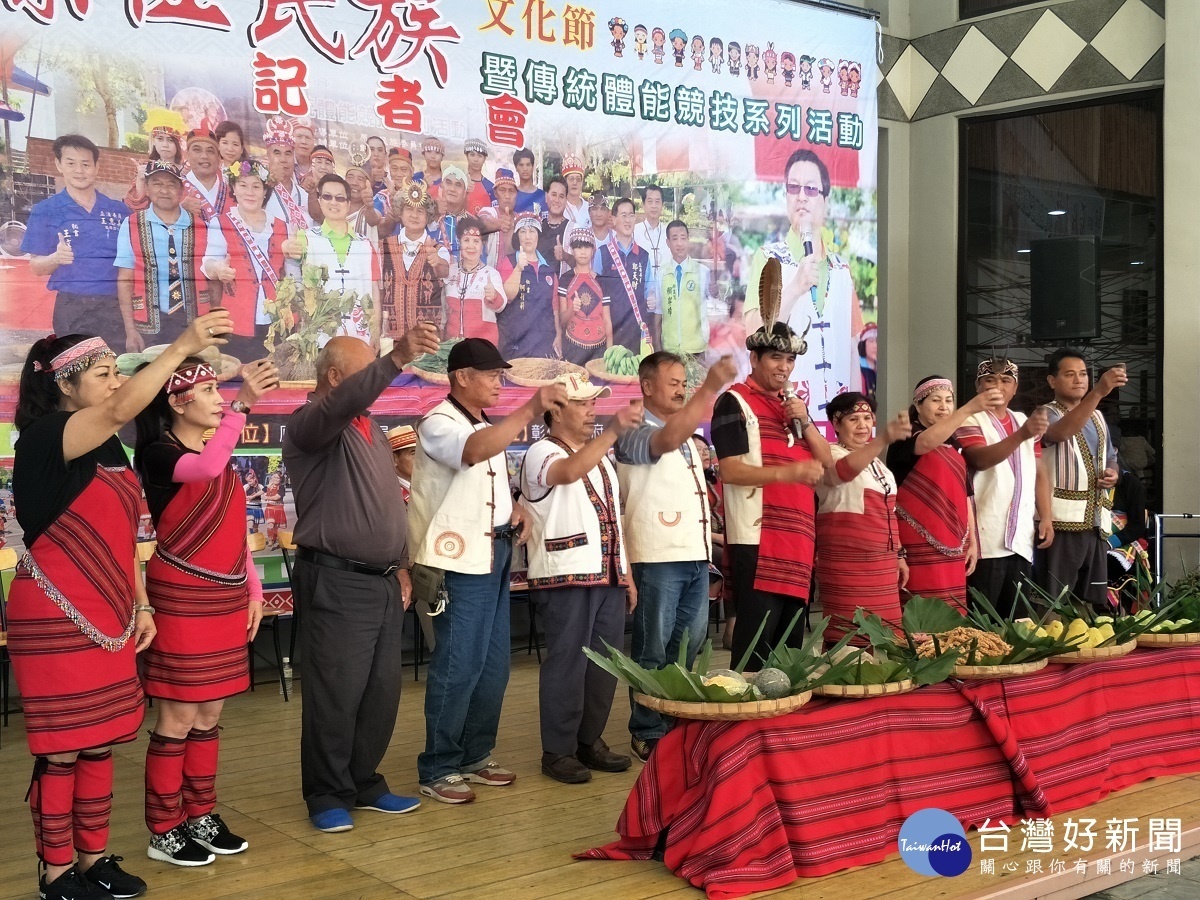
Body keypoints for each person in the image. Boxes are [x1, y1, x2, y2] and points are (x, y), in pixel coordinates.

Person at [9, 313, 230, 900]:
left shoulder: (106, 443)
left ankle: (94, 859)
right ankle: (55, 872)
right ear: (64, 384)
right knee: (62, 747)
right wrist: (182, 344)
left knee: (102, 737)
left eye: (116, 373)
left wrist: (142, 605)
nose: (114, 384)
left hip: (108, 611)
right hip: (55, 612)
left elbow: (122, 537)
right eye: (104, 373)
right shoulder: (44, 438)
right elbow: (115, 409)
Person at [281, 323, 442, 833]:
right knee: (337, 692)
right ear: (335, 377)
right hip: (335, 578)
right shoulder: (312, 421)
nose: (379, 378)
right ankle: (326, 793)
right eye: (366, 369)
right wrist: (395, 359)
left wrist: (399, 565)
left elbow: (382, 508)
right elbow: (341, 403)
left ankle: (364, 781)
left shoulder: (370, 429)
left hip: (380, 581)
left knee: (379, 692)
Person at [132, 358, 278, 866]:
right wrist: (242, 407)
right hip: (182, 598)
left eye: (221, 390)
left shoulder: (218, 451)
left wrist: (254, 592)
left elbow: (236, 531)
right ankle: (164, 827)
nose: (219, 398)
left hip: (226, 597)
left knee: (211, 711)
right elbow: (207, 468)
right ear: (177, 400)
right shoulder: (157, 453)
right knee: (177, 713)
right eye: (210, 389)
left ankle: (200, 814)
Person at [409, 338, 568, 802]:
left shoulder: (483, 424)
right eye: (492, 374)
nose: (500, 381)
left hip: (494, 553)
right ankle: (437, 765)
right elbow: (474, 453)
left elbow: (488, 481)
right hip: (458, 560)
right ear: (462, 377)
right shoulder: (439, 421)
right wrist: (528, 409)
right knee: (458, 665)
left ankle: (475, 754)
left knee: (494, 665)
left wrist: (515, 506)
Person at [615, 351, 737, 760]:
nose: (683, 389)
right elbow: (663, 441)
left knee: (689, 643)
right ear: (646, 386)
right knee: (653, 647)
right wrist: (711, 387)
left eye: (687, 382)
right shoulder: (632, 430)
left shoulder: (686, 437)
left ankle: (677, 722)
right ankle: (647, 728)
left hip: (693, 554)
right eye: (675, 382)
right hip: (656, 554)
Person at [520, 375, 642, 784]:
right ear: (556, 410)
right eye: (582, 402)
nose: (593, 409)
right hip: (564, 574)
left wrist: (625, 572)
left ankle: (589, 741)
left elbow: (613, 516)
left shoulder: (601, 455)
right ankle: (557, 750)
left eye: (594, 402)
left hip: (605, 574)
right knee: (568, 663)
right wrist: (611, 433)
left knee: (605, 663)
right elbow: (569, 472)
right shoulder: (540, 451)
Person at [711, 322, 830, 664]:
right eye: (776, 358)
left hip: (798, 536)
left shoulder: (792, 406)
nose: (784, 367)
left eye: (790, 360)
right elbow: (731, 471)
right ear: (754, 357)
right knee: (756, 642)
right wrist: (788, 473)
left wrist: (805, 421)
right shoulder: (733, 402)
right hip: (758, 535)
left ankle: (785, 715)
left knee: (790, 644)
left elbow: (828, 466)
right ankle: (748, 715)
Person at [744, 149, 864, 420]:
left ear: (826, 200)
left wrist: (858, 411)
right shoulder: (768, 259)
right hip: (785, 409)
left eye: (811, 189)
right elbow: (752, 333)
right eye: (793, 187)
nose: (801, 196)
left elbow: (852, 345)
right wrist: (796, 287)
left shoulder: (841, 268)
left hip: (838, 413)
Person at [885, 376, 1003, 612]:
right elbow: (926, 443)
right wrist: (969, 409)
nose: (944, 406)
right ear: (918, 405)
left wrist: (972, 541)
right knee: (920, 612)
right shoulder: (906, 435)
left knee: (951, 612)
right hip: (915, 541)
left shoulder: (955, 442)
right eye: (936, 400)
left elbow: (966, 492)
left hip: (954, 541)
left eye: (949, 401)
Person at [955, 357, 1053, 618]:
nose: (998, 385)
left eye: (1005, 380)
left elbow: (1039, 470)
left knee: (1017, 619)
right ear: (978, 386)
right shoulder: (969, 418)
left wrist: (1046, 516)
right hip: (985, 536)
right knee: (983, 618)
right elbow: (979, 459)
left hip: (1020, 535)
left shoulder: (1021, 419)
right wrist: (1022, 434)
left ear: (1015, 388)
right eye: (990, 380)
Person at [814, 393, 911, 642]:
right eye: (853, 419)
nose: (862, 425)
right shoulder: (829, 453)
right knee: (849, 635)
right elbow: (843, 473)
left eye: (867, 418)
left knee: (886, 639)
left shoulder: (880, 466)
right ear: (836, 424)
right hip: (847, 565)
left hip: (882, 565)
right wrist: (884, 439)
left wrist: (899, 556)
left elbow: (889, 514)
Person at [22, 134, 130, 350]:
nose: (79, 171)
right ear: (59, 165)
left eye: (85, 164)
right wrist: (56, 258)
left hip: (114, 307)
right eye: (71, 163)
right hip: (72, 307)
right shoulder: (45, 211)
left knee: (116, 368)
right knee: (76, 372)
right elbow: (36, 266)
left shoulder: (119, 211)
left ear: (97, 167)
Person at [1036, 350, 1126, 611]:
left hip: (1095, 520)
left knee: (1088, 601)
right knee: (1054, 600)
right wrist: (1097, 392)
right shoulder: (1045, 413)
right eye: (1070, 374)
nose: (1079, 380)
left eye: (1084, 374)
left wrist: (1113, 472)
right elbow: (1060, 432)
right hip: (1061, 520)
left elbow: (1111, 456)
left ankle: (1085, 647)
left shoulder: (1097, 416)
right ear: (1052, 381)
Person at [116, 161, 212, 352]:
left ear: (181, 189)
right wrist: (130, 330)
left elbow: (213, 278)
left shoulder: (201, 226)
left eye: (171, 184)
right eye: (157, 184)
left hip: (193, 322)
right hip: (148, 324)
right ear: (148, 189)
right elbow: (125, 279)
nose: (164, 190)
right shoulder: (132, 224)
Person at [202, 158, 289, 364]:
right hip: (238, 319)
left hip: (277, 320)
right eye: (243, 185)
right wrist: (218, 269)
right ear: (234, 188)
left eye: (256, 186)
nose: (250, 192)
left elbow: (294, 274)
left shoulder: (283, 226)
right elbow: (208, 262)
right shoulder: (221, 222)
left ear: (265, 191)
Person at [284, 174, 381, 347]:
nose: (333, 202)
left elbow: (374, 291)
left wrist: (375, 330)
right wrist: (285, 247)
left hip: (358, 337)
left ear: (348, 204)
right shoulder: (305, 237)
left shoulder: (365, 244)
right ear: (319, 201)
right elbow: (288, 256)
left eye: (340, 198)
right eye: (327, 197)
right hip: (318, 338)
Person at [379, 179, 450, 341]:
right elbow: (379, 292)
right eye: (409, 209)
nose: (414, 215)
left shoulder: (439, 249)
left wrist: (437, 261)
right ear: (401, 214)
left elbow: (444, 270)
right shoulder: (383, 248)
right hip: (391, 338)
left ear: (428, 217)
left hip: (426, 340)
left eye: (420, 211)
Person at [497, 212, 559, 359]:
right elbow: (507, 296)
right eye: (523, 232)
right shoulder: (509, 262)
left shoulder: (548, 268)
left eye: (532, 231)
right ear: (517, 236)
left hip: (544, 342)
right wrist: (518, 268)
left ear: (538, 235)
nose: (528, 236)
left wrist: (559, 335)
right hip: (515, 342)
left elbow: (554, 306)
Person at [596, 197, 652, 355]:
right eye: (623, 215)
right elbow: (596, 292)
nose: (628, 220)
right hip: (609, 330)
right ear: (613, 220)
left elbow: (649, 290)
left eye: (631, 215)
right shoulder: (603, 253)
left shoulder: (644, 256)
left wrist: (652, 297)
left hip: (636, 330)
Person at [443, 217, 506, 344]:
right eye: (466, 240)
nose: (471, 246)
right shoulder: (450, 271)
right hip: (452, 346)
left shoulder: (491, 274)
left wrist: (493, 296)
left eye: (476, 241)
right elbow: (443, 311)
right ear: (459, 242)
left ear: (482, 245)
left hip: (482, 347)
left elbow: (501, 306)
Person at [654, 219, 711, 356]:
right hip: (670, 348)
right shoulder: (661, 274)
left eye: (683, 238)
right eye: (675, 239)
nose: (679, 243)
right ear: (668, 243)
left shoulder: (702, 272)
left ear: (688, 240)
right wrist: (657, 345)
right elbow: (658, 311)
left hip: (696, 349)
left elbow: (713, 303)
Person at [557, 227, 611, 365]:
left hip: (598, 349)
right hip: (572, 348)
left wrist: (609, 352)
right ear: (572, 250)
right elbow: (562, 320)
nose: (582, 252)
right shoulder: (565, 279)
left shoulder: (602, 281)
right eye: (578, 247)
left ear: (593, 250)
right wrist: (572, 309)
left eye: (587, 247)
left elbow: (607, 320)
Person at [125, 108, 186, 212]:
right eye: (160, 139)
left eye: (170, 140)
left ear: (178, 143)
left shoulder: (187, 170)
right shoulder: (147, 168)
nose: (165, 145)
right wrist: (140, 180)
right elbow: (137, 206)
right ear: (154, 141)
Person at [262, 117, 311, 232]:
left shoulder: (304, 195)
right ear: (268, 156)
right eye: (277, 153)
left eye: (288, 154)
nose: (283, 160)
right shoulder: (259, 193)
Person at [180, 129, 231, 225]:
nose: (204, 156)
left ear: (219, 157)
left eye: (210, 151)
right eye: (197, 150)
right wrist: (179, 212)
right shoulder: (174, 189)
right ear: (187, 154)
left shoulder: (233, 193)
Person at [633, 184, 667, 312]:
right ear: (643, 205)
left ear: (662, 205)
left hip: (666, 296)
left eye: (657, 201)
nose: (654, 206)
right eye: (650, 201)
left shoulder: (669, 232)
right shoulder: (634, 231)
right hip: (641, 298)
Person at [482, 167, 519, 268]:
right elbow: (482, 222)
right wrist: (498, 224)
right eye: (502, 190)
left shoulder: (520, 221)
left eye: (511, 191)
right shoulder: (490, 212)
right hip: (490, 280)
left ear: (516, 194)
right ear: (495, 193)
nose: (507, 196)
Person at [538, 176, 571, 274]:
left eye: (561, 196)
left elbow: (581, 263)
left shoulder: (573, 229)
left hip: (563, 287)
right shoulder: (537, 227)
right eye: (553, 195)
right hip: (539, 287)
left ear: (566, 200)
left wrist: (565, 256)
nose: (557, 200)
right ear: (546, 197)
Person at [463, 138, 495, 212]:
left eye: (480, 156)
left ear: (484, 159)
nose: (476, 159)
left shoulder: (490, 187)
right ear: (467, 156)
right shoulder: (458, 183)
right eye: (472, 155)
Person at [561, 156, 590, 231]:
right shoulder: (560, 207)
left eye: (578, 179)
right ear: (565, 182)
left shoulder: (589, 208)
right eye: (571, 179)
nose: (575, 183)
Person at [512, 148, 545, 213]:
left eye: (528, 165)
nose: (525, 169)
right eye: (521, 165)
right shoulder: (512, 195)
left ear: (532, 167)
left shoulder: (543, 196)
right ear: (516, 167)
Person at [264, 471, 287, 549]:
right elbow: (262, 493)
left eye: (278, 478)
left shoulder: (281, 488)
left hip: (278, 509)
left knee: (276, 527)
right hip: (270, 508)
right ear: (271, 478)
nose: (276, 479)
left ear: (280, 479)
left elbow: (277, 497)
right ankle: (270, 540)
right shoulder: (268, 486)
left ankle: (274, 539)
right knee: (270, 524)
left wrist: (267, 498)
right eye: (274, 477)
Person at [243, 468, 265, 536]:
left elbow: (264, 496)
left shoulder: (260, 486)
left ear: (254, 479)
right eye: (247, 481)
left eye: (250, 481)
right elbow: (242, 495)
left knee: (255, 527)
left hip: (257, 508)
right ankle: (249, 541)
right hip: (249, 508)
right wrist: (246, 498)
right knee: (250, 525)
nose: (249, 483)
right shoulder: (246, 487)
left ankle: (255, 540)